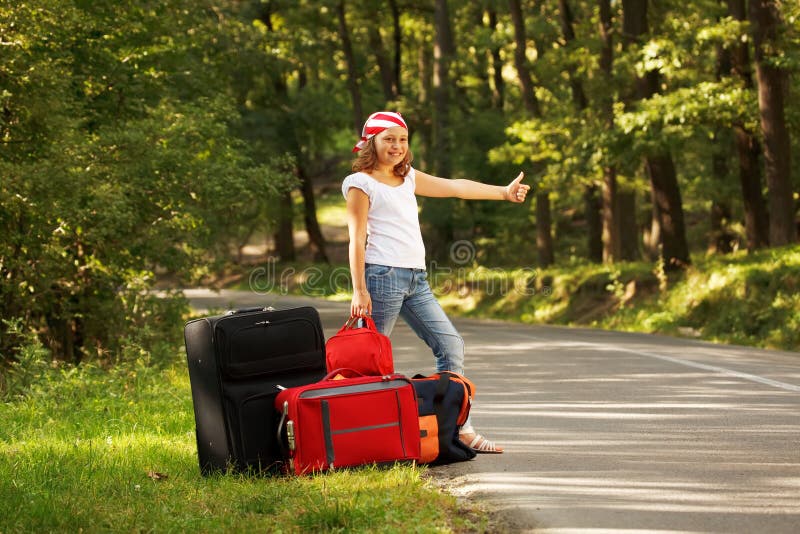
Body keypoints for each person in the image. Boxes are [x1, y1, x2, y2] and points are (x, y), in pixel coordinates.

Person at [343, 111, 529, 454]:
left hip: (416, 279)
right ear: (371, 142)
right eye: (389, 139)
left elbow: (456, 187)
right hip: (382, 278)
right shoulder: (360, 183)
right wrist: (359, 289)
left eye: (402, 139)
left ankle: (459, 429)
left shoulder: (408, 178)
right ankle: (354, 436)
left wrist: (504, 193)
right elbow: (356, 240)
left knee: (450, 345)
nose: (397, 146)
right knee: (368, 360)